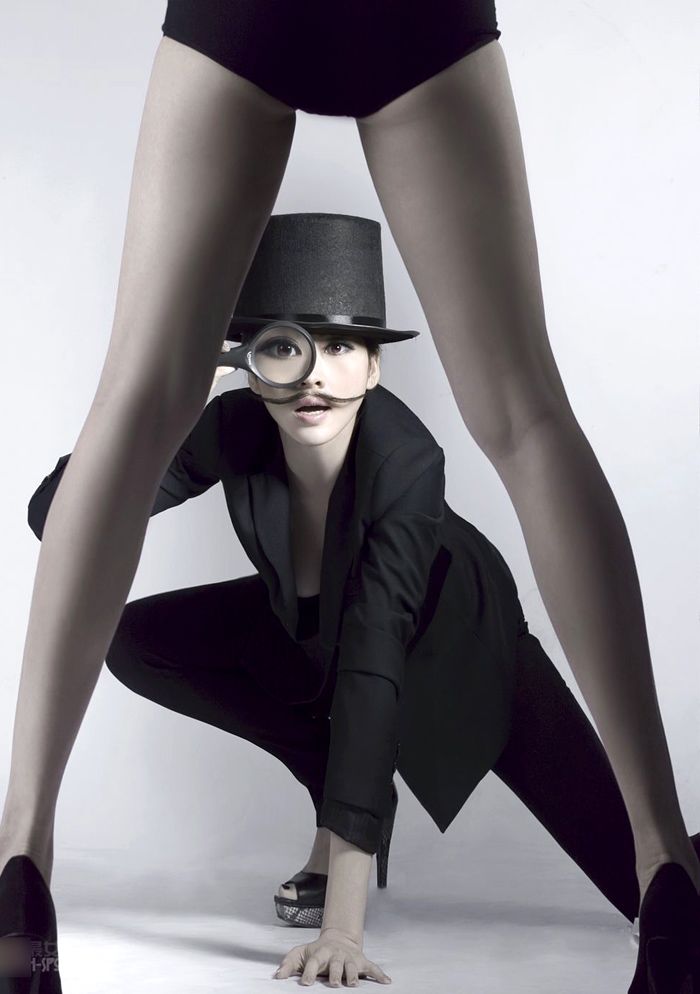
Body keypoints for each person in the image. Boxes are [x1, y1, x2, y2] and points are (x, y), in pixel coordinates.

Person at [0, 6, 698, 992]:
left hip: (457, 660)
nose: (314, 381)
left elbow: (373, 670)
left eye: (339, 350)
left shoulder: (400, 466)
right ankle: (669, 864)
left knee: (133, 403)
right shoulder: (242, 427)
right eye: (288, 353)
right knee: (527, 415)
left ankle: (20, 860)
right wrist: (193, 392)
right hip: (413, 21)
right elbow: (64, 507)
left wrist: (344, 923)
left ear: (373, 366)